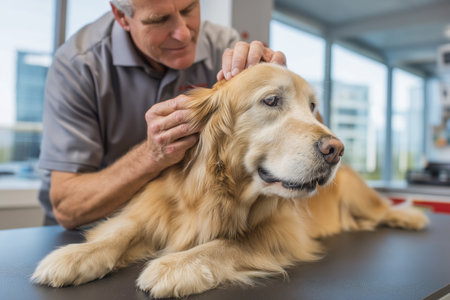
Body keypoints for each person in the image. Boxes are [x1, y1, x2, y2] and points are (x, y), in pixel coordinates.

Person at [38, 0, 286, 229]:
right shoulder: (78, 66)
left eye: (189, 9)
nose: (184, 34)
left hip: (178, 226)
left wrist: (282, 90)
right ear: (122, 17)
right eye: (158, 20)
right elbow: (68, 207)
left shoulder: (223, 47)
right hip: (89, 230)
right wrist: (151, 156)